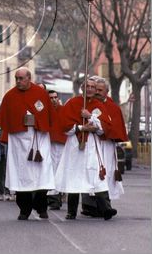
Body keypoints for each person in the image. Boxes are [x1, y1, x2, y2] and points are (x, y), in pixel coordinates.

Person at [0, 67, 55, 220]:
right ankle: (24, 209)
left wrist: (37, 120)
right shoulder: (10, 96)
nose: (18, 81)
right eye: (16, 78)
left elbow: (49, 115)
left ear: (29, 78)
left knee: (42, 173)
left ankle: (42, 207)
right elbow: (3, 119)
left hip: (39, 139)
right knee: (20, 175)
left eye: (21, 78)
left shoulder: (41, 94)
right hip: (18, 142)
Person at [55, 77, 116, 220]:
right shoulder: (72, 103)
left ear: (95, 90)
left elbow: (104, 129)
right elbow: (65, 126)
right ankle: (71, 211)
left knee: (97, 176)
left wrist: (91, 117)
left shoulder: (99, 106)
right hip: (76, 146)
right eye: (87, 86)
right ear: (82, 88)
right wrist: (82, 127)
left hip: (92, 145)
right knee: (74, 176)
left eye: (92, 87)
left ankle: (106, 209)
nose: (90, 89)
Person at [81, 76, 128, 217]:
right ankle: (88, 205)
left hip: (106, 145)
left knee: (103, 174)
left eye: (100, 90)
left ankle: (104, 206)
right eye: (95, 89)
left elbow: (115, 128)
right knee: (89, 173)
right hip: (90, 143)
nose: (97, 92)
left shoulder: (113, 107)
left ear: (106, 91)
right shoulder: (85, 104)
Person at [47, 90, 66, 210]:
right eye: (51, 98)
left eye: (55, 97)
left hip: (61, 144)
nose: (53, 100)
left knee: (59, 170)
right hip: (49, 144)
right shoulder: (45, 111)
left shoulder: (63, 110)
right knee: (51, 171)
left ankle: (57, 197)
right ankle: (53, 198)